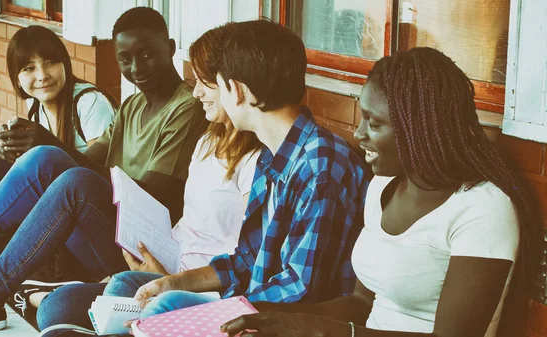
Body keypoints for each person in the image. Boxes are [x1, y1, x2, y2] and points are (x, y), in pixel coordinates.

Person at [220, 47, 542, 337]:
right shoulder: (382, 188)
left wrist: (320, 330)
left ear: (417, 129)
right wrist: (276, 318)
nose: (359, 134)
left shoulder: (483, 210)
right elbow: (363, 303)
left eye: (374, 123)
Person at [0, 7, 206, 335]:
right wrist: (20, 152)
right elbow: (86, 158)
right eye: (125, 59)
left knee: (60, 169)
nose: (136, 68)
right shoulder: (132, 105)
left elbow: (158, 196)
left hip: (140, 250)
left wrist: (46, 148)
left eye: (147, 54)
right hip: (106, 225)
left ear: (170, 48)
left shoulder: (186, 107)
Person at [115, 19, 368, 322]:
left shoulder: (319, 166)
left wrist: (203, 310)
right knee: (138, 293)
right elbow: (246, 260)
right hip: (254, 310)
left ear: (235, 90)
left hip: (282, 323)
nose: (199, 94)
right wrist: (173, 282)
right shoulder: (274, 156)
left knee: (161, 310)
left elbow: (300, 291)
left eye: (216, 83)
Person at [35, 24, 263, 332]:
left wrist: (173, 279)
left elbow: (247, 260)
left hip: (200, 285)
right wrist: (161, 265)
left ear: (234, 86)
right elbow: (189, 224)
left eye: (204, 83)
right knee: (55, 308)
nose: (196, 92)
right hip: (167, 265)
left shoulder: (261, 162)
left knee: (113, 289)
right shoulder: (207, 140)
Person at [0, 25, 116, 287]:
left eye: (50, 62)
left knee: (42, 159)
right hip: (50, 194)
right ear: (16, 78)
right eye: (29, 68)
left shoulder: (89, 102)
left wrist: (41, 147)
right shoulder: (35, 105)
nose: (42, 75)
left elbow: (97, 176)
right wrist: (11, 151)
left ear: (65, 64)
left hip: (88, 213)